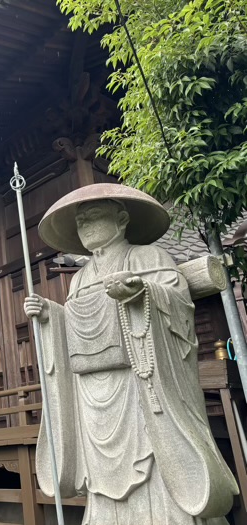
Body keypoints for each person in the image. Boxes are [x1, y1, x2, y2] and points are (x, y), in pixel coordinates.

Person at [23, 184, 238, 525]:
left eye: (94, 217)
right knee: (101, 470)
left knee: (152, 457)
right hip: (92, 390)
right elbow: (71, 321)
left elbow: (177, 301)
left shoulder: (147, 257)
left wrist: (141, 293)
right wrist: (49, 314)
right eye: (81, 222)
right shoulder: (78, 278)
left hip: (139, 381)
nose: (86, 226)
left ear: (121, 219)